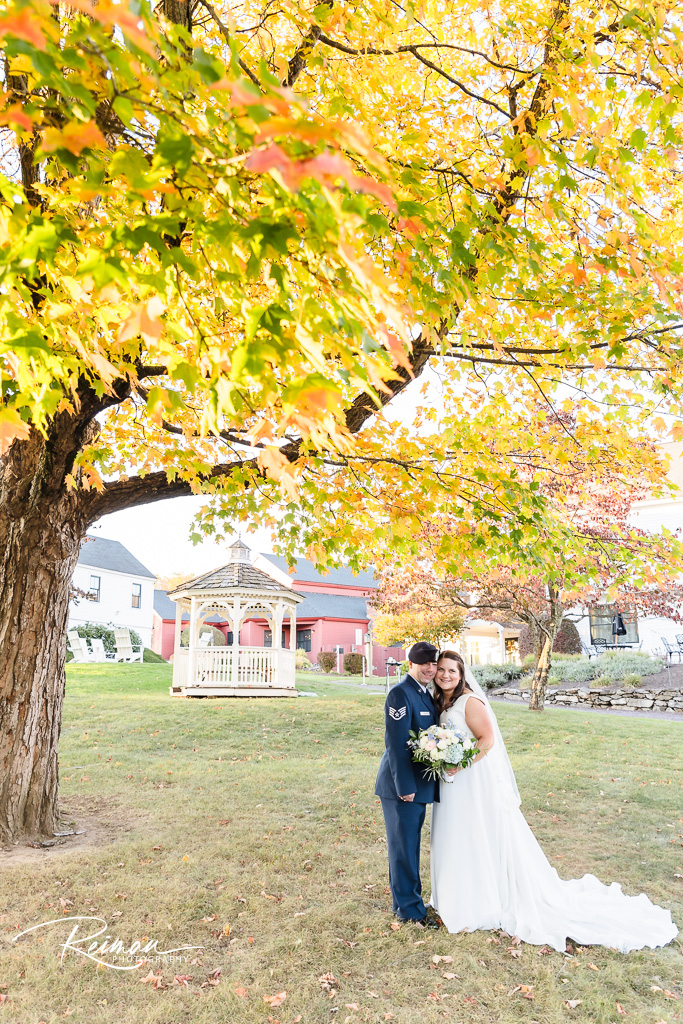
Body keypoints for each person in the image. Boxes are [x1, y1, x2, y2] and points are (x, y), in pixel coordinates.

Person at [429, 650, 679, 952]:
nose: (445, 675)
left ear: (462, 673)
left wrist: (463, 762)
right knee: (460, 836)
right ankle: (460, 894)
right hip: (453, 783)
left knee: (477, 834)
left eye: (451, 671)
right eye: (441, 670)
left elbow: (487, 740)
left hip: (473, 781)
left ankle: (482, 899)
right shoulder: (443, 701)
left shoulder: (471, 701)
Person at [375, 641, 440, 927]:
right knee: (403, 848)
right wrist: (405, 788)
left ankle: (403, 902)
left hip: (418, 785)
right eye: (423, 663)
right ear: (410, 664)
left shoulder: (424, 695)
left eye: (433, 663)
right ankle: (410, 911)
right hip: (402, 787)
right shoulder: (400, 694)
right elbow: (397, 745)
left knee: (409, 846)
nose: (430, 668)